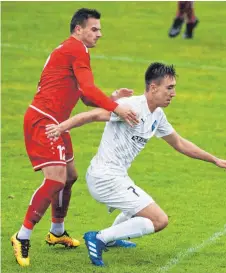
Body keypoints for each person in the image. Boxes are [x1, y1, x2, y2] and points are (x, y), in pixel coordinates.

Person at [45, 62, 226, 266]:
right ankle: (100, 237)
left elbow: (180, 143)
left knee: (140, 205)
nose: (173, 94)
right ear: (153, 88)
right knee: (159, 220)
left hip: (117, 176)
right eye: (169, 88)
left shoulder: (157, 115)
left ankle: (113, 238)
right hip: (104, 178)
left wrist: (215, 159)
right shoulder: (132, 107)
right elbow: (93, 114)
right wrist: (61, 128)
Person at [11, 8, 139, 267]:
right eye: (94, 29)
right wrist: (117, 108)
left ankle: (57, 232)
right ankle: (21, 235)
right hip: (43, 121)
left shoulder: (76, 51)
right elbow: (89, 89)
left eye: (100, 29)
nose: (99, 34)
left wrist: (111, 98)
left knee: (69, 176)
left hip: (58, 122)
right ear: (78, 29)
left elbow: (84, 95)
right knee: (56, 178)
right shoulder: (76, 49)